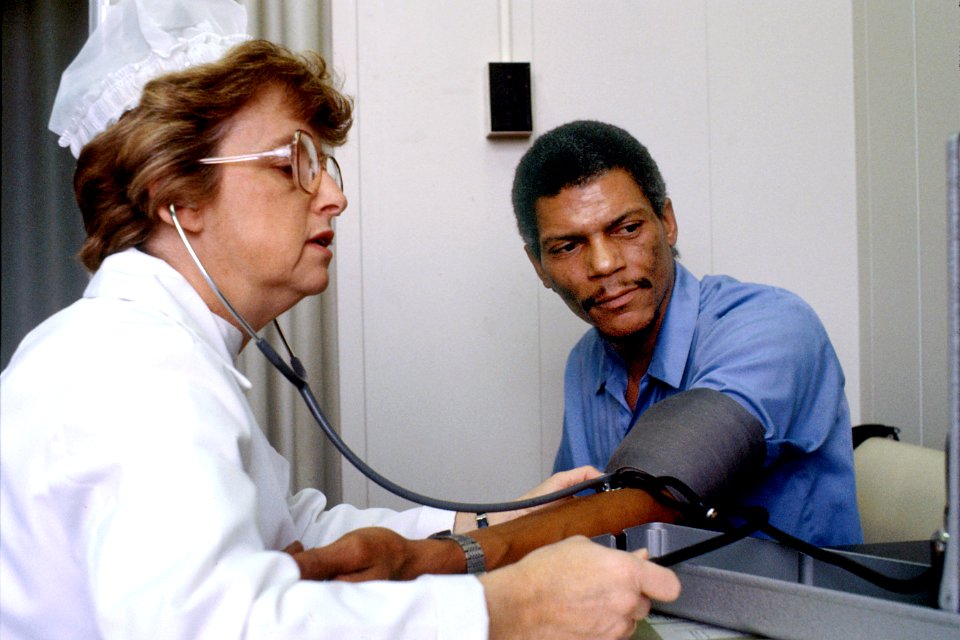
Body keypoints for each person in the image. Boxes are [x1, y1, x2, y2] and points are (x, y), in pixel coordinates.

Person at [0, 3, 679, 639]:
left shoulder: (165, 357)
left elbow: (300, 529)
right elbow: (217, 625)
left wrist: (490, 518)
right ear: (177, 196)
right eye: (293, 162)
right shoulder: (129, 371)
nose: (335, 195)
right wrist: (505, 607)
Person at [510, 120, 863, 548]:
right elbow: (575, 522)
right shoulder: (584, 363)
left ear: (668, 222)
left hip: (804, 608)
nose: (603, 264)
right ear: (538, 267)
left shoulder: (773, 325)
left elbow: (666, 484)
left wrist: (453, 551)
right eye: (568, 247)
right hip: (651, 606)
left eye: (627, 228)